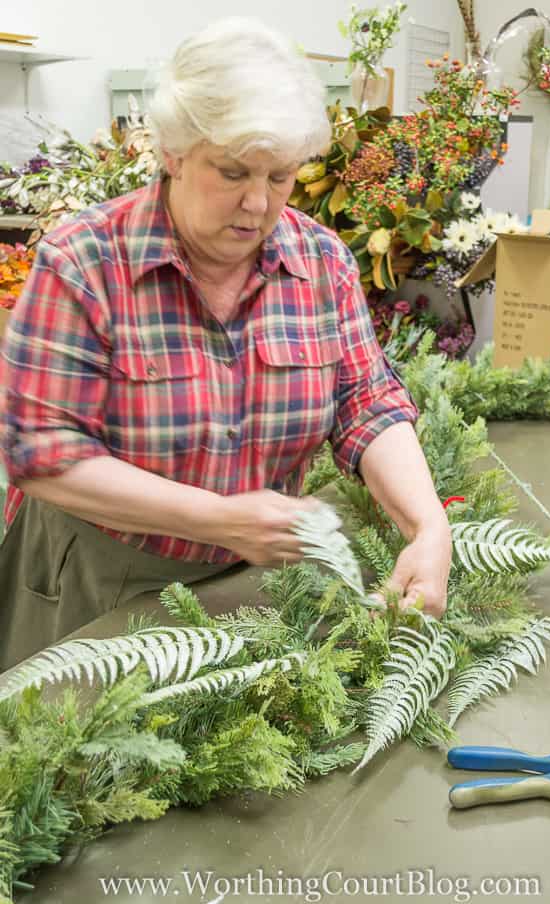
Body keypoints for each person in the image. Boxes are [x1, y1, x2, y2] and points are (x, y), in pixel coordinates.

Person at [0, 17, 451, 671]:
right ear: (173, 152)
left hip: (254, 579)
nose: (257, 203)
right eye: (233, 171)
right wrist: (215, 517)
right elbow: (40, 452)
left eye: (282, 177)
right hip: (98, 580)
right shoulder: (84, 263)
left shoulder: (319, 262)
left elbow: (367, 402)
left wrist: (428, 525)